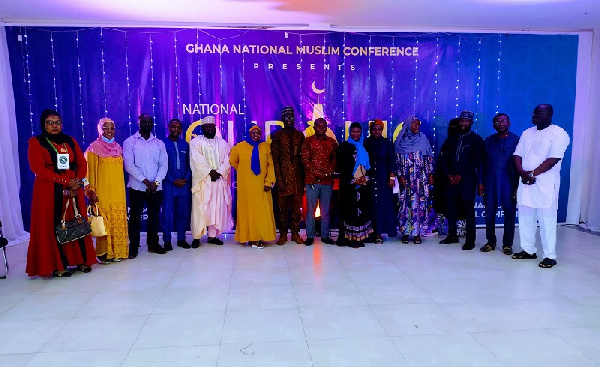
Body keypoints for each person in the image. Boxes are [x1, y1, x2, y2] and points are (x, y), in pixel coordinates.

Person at [26, 109, 97, 277]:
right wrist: (67, 182)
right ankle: (58, 265)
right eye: (49, 123)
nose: (54, 126)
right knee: (54, 224)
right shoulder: (37, 142)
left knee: (76, 223)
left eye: (57, 122)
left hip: (73, 190)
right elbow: (38, 169)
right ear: (43, 124)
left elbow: (81, 164)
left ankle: (81, 260)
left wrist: (77, 182)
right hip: (49, 191)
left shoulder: (70, 141)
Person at [512, 104, 570, 268]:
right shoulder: (527, 132)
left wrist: (532, 174)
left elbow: (553, 159)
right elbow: (517, 154)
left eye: (539, 112)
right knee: (525, 218)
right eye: (534, 112)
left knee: (547, 221)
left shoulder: (559, 133)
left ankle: (550, 255)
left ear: (550, 114)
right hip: (525, 181)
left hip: (545, 183)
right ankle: (528, 250)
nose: (534, 115)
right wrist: (523, 173)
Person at [123, 113, 168, 258]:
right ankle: (134, 246)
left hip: (156, 187)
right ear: (138, 123)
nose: (147, 124)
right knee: (135, 217)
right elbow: (129, 165)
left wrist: (155, 182)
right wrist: (145, 181)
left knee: (154, 217)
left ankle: (153, 244)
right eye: (144, 122)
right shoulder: (130, 142)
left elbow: (164, 165)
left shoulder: (159, 143)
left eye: (150, 122)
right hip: (137, 186)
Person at [438, 110, 484, 250]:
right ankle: (452, 235)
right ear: (459, 122)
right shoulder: (451, 138)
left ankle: (470, 240)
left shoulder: (476, 139)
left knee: (468, 210)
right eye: (462, 120)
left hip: (467, 180)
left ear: (471, 122)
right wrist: (448, 175)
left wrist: (461, 175)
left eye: (467, 121)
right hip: (450, 180)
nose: (464, 123)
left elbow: (476, 161)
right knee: (450, 208)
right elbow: (443, 158)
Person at [85, 117, 129, 263]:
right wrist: (91, 190)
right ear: (100, 130)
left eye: (111, 128)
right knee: (104, 222)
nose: (109, 131)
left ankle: (118, 252)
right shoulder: (94, 148)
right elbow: (89, 172)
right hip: (102, 192)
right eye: (105, 128)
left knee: (117, 219)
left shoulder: (118, 147)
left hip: (118, 191)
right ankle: (104, 253)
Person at [478, 113, 519, 255]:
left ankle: (507, 244)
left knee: (509, 215)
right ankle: (490, 242)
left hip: (509, 184)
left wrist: (519, 185)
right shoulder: (488, 141)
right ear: (493, 125)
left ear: (509, 123)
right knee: (489, 215)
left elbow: (521, 164)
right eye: (497, 122)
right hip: (490, 184)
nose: (500, 124)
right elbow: (482, 163)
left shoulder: (516, 140)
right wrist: (481, 183)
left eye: (503, 121)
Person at [230, 124, 276, 248]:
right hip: (246, 186)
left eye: (258, 133)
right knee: (248, 211)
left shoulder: (265, 146)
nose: (256, 135)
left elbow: (270, 165)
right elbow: (233, 161)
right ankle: (250, 237)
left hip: (262, 185)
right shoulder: (239, 147)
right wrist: (244, 171)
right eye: (253, 133)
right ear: (248, 134)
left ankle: (261, 236)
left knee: (261, 211)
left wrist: (268, 181)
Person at [189, 116, 233, 247]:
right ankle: (196, 237)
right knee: (200, 208)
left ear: (215, 128)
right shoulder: (195, 142)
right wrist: (210, 172)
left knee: (216, 208)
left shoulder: (223, 143)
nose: (209, 128)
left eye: (211, 126)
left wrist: (218, 172)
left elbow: (228, 161)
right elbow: (196, 160)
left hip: (218, 180)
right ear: (202, 128)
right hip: (203, 181)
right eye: (207, 126)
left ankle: (212, 236)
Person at [395, 116, 435, 244]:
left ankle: (417, 233)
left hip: (420, 180)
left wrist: (430, 174)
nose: (417, 127)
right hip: (405, 180)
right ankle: (405, 233)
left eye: (418, 124)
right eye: (414, 124)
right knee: (405, 206)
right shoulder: (401, 142)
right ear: (407, 125)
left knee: (420, 205)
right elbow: (396, 161)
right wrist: (400, 175)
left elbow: (429, 158)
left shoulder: (423, 139)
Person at [271, 107, 305, 245]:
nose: (289, 119)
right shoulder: (277, 136)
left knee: (297, 209)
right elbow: (275, 160)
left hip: (297, 178)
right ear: (282, 119)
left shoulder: (299, 136)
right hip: (283, 178)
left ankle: (296, 233)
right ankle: (283, 234)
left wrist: (303, 178)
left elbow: (303, 159)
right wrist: (279, 179)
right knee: (282, 209)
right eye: (286, 117)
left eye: (291, 117)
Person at [301, 117, 338, 246]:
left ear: (326, 128)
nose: (321, 128)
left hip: (327, 182)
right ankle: (310, 236)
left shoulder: (332, 143)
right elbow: (305, 161)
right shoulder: (307, 142)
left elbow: (335, 159)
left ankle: (325, 235)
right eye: (318, 126)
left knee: (325, 210)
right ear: (314, 127)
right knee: (310, 210)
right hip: (312, 180)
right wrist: (318, 174)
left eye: (323, 126)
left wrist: (327, 173)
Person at [337, 122, 374, 248]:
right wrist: (353, 180)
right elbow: (342, 167)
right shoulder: (343, 147)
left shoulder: (365, 147)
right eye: (353, 131)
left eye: (358, 131)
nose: (356, 134)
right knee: (350, 211)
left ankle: (360, 238)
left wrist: (365, 178)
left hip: (363, 185)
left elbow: (369, 166)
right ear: (349, 132)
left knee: (362, 210)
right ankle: (350, 239)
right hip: (349, 186)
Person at [364, 119, 398, 243]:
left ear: (382, 130)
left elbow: (392, 161)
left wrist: (392, 177)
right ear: (370, 130)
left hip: (384, 178)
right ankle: (372, 232)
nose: (377, 132)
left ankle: (380, 233)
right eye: (374, 129)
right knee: (372, 205)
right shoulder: (366, 142)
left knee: (384, 205)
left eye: (379, 129)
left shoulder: (387, 143)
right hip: (371, 178)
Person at [161, 118, 192, 251]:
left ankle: (181, 238)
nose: (176, 129)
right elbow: (161, 165)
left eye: (178, 127)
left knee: (183, 213)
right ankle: (167, 240)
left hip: (184, 185)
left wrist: (185, 179)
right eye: (173, 127)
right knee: (167, 214)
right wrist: (172, 179)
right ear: (169, 128)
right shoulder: (162, 144)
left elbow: (190, 165)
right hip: (169, 184)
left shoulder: (185, 145)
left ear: (181, 130)